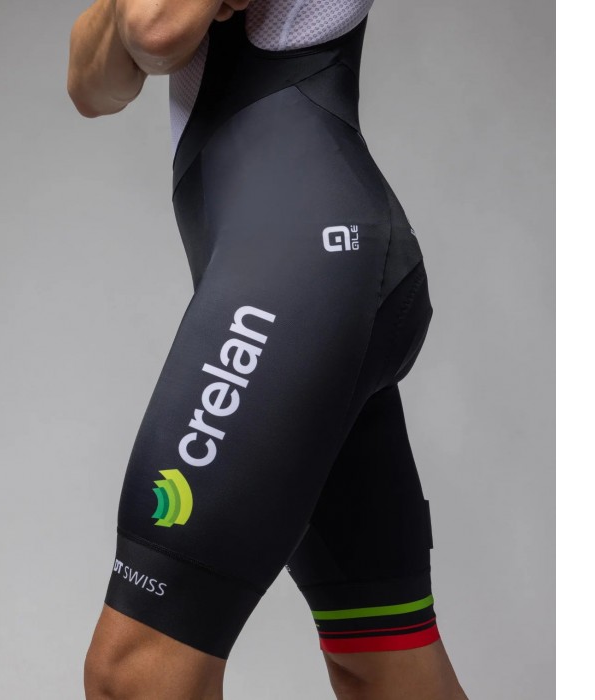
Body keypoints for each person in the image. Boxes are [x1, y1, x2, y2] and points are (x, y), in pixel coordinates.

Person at [67, 2, 469, 698]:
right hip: (302, 268)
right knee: (383, 669)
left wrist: (136, 24)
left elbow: (157, 30)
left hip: (306, 262)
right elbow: (90, 85)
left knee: (134, 674)